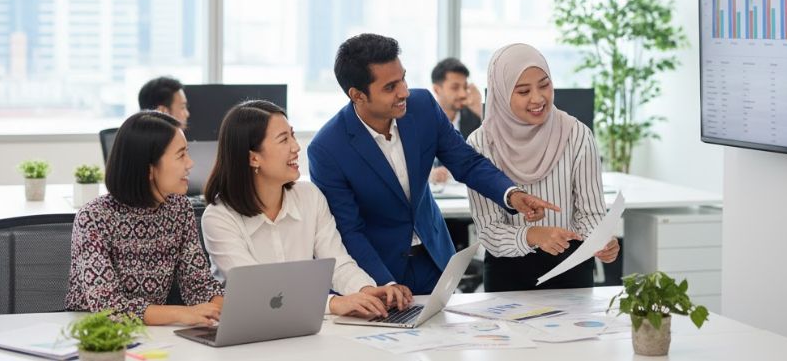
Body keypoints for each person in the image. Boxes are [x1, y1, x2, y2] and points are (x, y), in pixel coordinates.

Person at [308, 33, 557, 295]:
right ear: (357, 95)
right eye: (390, 87)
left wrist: (512, 194)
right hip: (378, 273)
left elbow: (466, 162)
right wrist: (384, 285)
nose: (404, 91)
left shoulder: (423, 107)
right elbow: (349, 231)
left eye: (402, 78)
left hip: (435, 261)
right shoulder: (327, 149)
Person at [201, 100, 411, 318]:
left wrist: (366, 291)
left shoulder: (310, 196)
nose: (296, 146)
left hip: (301, 327)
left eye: (292, 135)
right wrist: (333, 304)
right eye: (284, 140)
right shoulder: (219, 217)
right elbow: (260, 292)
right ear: (254, 158)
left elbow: (337, 263)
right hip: (249, 328)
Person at [466, 43, 620, 292]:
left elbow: (590, 213)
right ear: (502, 94)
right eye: (523, 91)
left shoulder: (576, 134)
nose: (538, 98)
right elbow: (489, 229)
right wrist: (533, 235)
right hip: (508, 273)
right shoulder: (481, 144)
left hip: (571, 269)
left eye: (544, 85)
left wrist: (601, 241)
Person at [65, 111, 224, 324]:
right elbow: (109, 307)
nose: (190, 163)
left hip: (152, 334)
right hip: (95, 335)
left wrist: (230, 312)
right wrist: (182, 313)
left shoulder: (179, 209)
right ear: (148, 168)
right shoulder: (93, 218)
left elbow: (198, 284)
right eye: (181, 155)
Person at [429, 57, 482, 185]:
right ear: (437, 89)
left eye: (465, 87)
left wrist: (480, 110)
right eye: (455, 88)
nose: (463, 94)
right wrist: (429, 174)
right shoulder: (424, 120)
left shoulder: (474, 118)